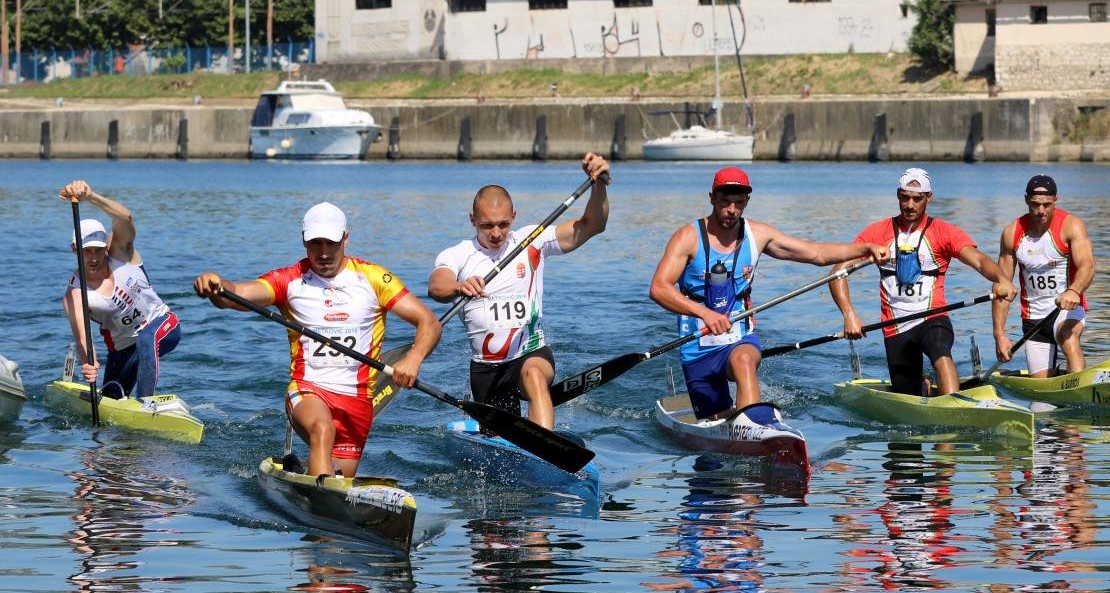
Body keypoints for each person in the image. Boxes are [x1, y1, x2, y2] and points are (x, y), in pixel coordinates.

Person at [193, 202, 441, 478]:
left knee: (336, 476)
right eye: (315, 243)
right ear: (303, 240)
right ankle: (320, 489)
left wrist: (414, 358)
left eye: (331, 243)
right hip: (308, 391)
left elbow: (428, 322)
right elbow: (236, 294)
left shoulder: (374, 279)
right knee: (322, 431)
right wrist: (216, 286)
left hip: (357, 404)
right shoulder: (289, 280)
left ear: (345, 238)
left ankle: (303, 473)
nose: (323, 253)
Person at [649, 167, 888, 421]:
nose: (731, 209)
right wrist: (704, 313)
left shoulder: (759, 235)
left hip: (738, 337)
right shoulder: (688, 237)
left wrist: (864, 248)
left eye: (739, 203)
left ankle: (754, 426)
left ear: (747, 202)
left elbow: (816, 253)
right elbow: (659, 288)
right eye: (725, 202)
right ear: (711, 198)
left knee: (744, 361)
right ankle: (733, 422)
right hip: (696, 346)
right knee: (716, 421)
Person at [429, 153, 611, 430]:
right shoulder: (458, 254)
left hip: (530, 353)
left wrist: (597, 184)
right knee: (498, 438)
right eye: (487, 225)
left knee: (534, 375)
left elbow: (592, 225)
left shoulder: (532, 241)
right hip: (486, 369)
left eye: (503, 223)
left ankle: (545, 447)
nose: (496, 233)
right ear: (472, 220)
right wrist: (458, 286)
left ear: (514, 216)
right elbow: (437, 286)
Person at [830, 168, 1016, 397]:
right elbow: (838, 271)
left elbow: (978, 260)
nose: (910, 205)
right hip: (896, 326)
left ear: (929, 197)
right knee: (907, 392)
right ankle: (925, 387)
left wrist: (1001, 279)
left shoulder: (943, 232)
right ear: (898, 195)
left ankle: (951, 405)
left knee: (940, 349)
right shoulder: (877, 232)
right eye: (905, 197)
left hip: (933, 317)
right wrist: (849, 314)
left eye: (917, 198)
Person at [60, 180, 182, 402]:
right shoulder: (75, 294)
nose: (95, 258)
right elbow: (83, 338)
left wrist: (91, 196)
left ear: (106, 246)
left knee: (147, 339)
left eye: (98, 250)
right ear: (74, 249)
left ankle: (148, 403)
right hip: (123, 349)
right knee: (110, 397)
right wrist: (90, 363)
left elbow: (124, 217)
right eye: (87, 252)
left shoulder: (121, 252)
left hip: (163, 324)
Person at [992, 174, 1094, 377]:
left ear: (1056, 200)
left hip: (1065, 309)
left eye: (1047, 204)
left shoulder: (1071, 226)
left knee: (1068, 337)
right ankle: (1058, 377)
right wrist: (999, 335)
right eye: (1035, 204)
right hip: (1033, 319)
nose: (1041, 211)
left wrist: (1074, 291)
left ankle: (1079, 387)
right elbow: (1001, 288)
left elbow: (1087, 265)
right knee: (1040, 390)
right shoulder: (1012, 233)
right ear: (1026, 200)